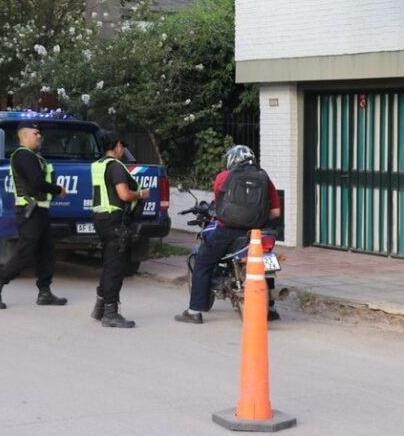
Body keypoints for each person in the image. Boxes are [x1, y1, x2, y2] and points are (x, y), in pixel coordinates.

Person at [175, 145, 281, 324]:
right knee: (264, 262)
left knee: (202, 262)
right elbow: (276, 212)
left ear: (232, 160)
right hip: (256, 233)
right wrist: (259, 219)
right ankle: (270, 309)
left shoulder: (224, 177)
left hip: (227, 231)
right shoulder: (264, 177)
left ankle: (194, 311)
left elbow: (219, 205)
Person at [0, 120, 67, 309]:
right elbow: (36, 182)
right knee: (25, 252)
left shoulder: (34, 157)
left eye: (39, 133)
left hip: (40, 210)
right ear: (24, 135)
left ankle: (44, 293)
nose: (39, 137)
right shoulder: (23, 156)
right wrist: (57, 189)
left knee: (46, 252)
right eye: (35, 133)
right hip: (30, 211)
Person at [89, 132, 149, 328]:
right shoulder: (115, 167)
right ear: (115, 147)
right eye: (121, 146)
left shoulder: (99, 165)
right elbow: (123, 194)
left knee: (109, 263)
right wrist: (141, 194)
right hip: (115, 221)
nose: (122, 149)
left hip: (101, 218)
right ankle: (110, 313)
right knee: (115, 268)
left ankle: (100, 306)